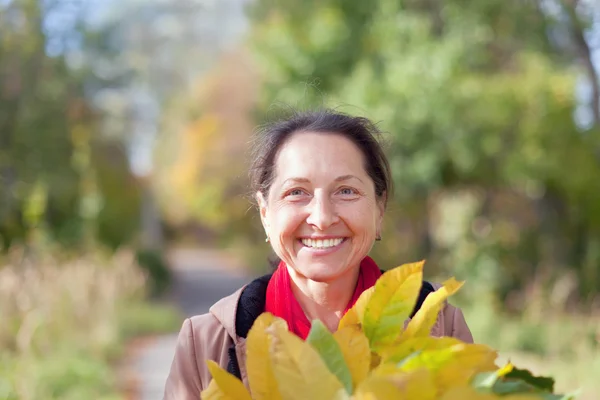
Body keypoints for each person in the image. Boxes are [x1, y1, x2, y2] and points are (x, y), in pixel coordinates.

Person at [163, 110, 473, 399]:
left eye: (346, 191)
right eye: (296, 192)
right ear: (265, 213)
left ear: (379, 209)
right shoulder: (206, 343)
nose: (322, 218)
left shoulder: (439, 326)